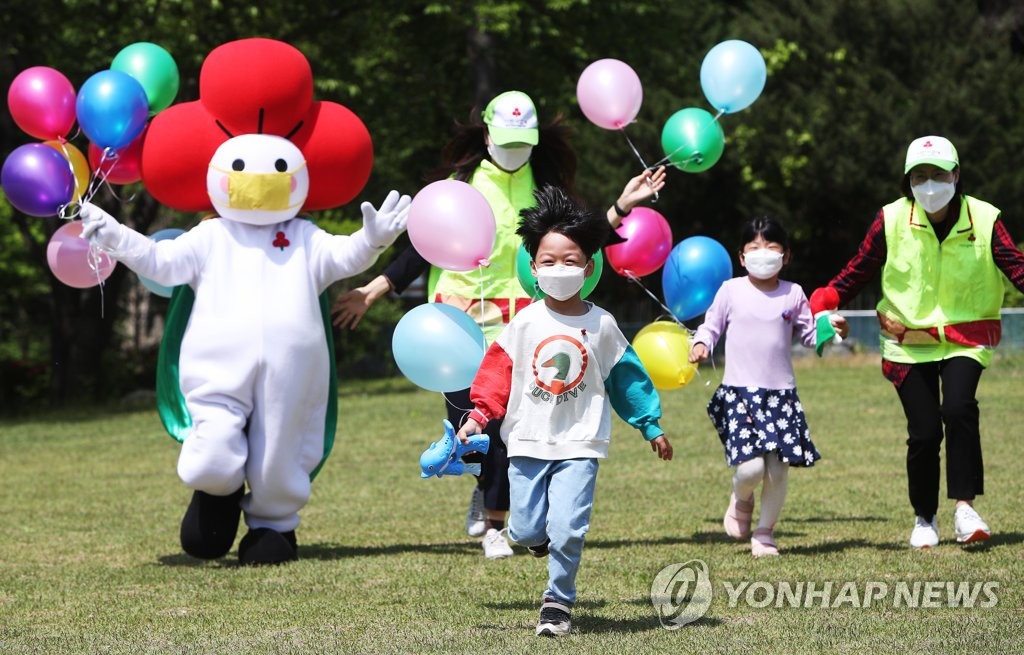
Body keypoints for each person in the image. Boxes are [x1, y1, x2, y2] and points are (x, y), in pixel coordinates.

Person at [332, 90, 666, 559]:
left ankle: (495, 526)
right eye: (506, 140)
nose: (515, 150)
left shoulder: (545, 185)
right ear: (487, 136)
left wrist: (624, 205)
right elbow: (419, 248)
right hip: (455, 329)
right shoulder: (460, 183)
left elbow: (579, 239)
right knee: (471, 432)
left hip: (523, 326)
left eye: (523, 141)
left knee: (509, 425)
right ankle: (482, 484)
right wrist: (373, 289)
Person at [455, 185, 672, 637]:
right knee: (527, 529)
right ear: (533, 269)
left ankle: (557, 602)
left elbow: (626, 378)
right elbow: (496, 375)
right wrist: (478, 415)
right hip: (528, 441)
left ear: (589, 268)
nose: (559, 269)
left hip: (580, 442)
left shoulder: (602, 324)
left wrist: (650, 425)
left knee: (569, 528)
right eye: (549, 261)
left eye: (570, 260)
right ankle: (539, 543)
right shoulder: (524, 322)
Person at [819, 135, 1024, 548]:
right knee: (925, 431)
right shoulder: (890, 219)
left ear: (956, 175)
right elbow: (858, 269)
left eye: (938, 174)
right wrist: (823, 301)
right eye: (920, 176)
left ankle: (965, 508)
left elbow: (1015, 267)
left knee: (959, 407)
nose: (930, 184)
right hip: (907, 342)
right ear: (908, 182)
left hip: (966, 338)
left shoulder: (984, 218)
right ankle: (924, 518)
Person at [688, 216, 846, 557]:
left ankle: (764, 532)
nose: (764, 254)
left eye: (772, 248)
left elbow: (808, 333)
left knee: (777, 469)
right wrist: (701, 344)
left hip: (781, 396)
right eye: (755, 248)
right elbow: (710, 326)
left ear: (786, 256)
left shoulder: (794, 293)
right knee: (751, 468)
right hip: (739, 394)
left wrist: (832, 330)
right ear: (742, 257)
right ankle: (740, 499)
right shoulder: (731, 290)